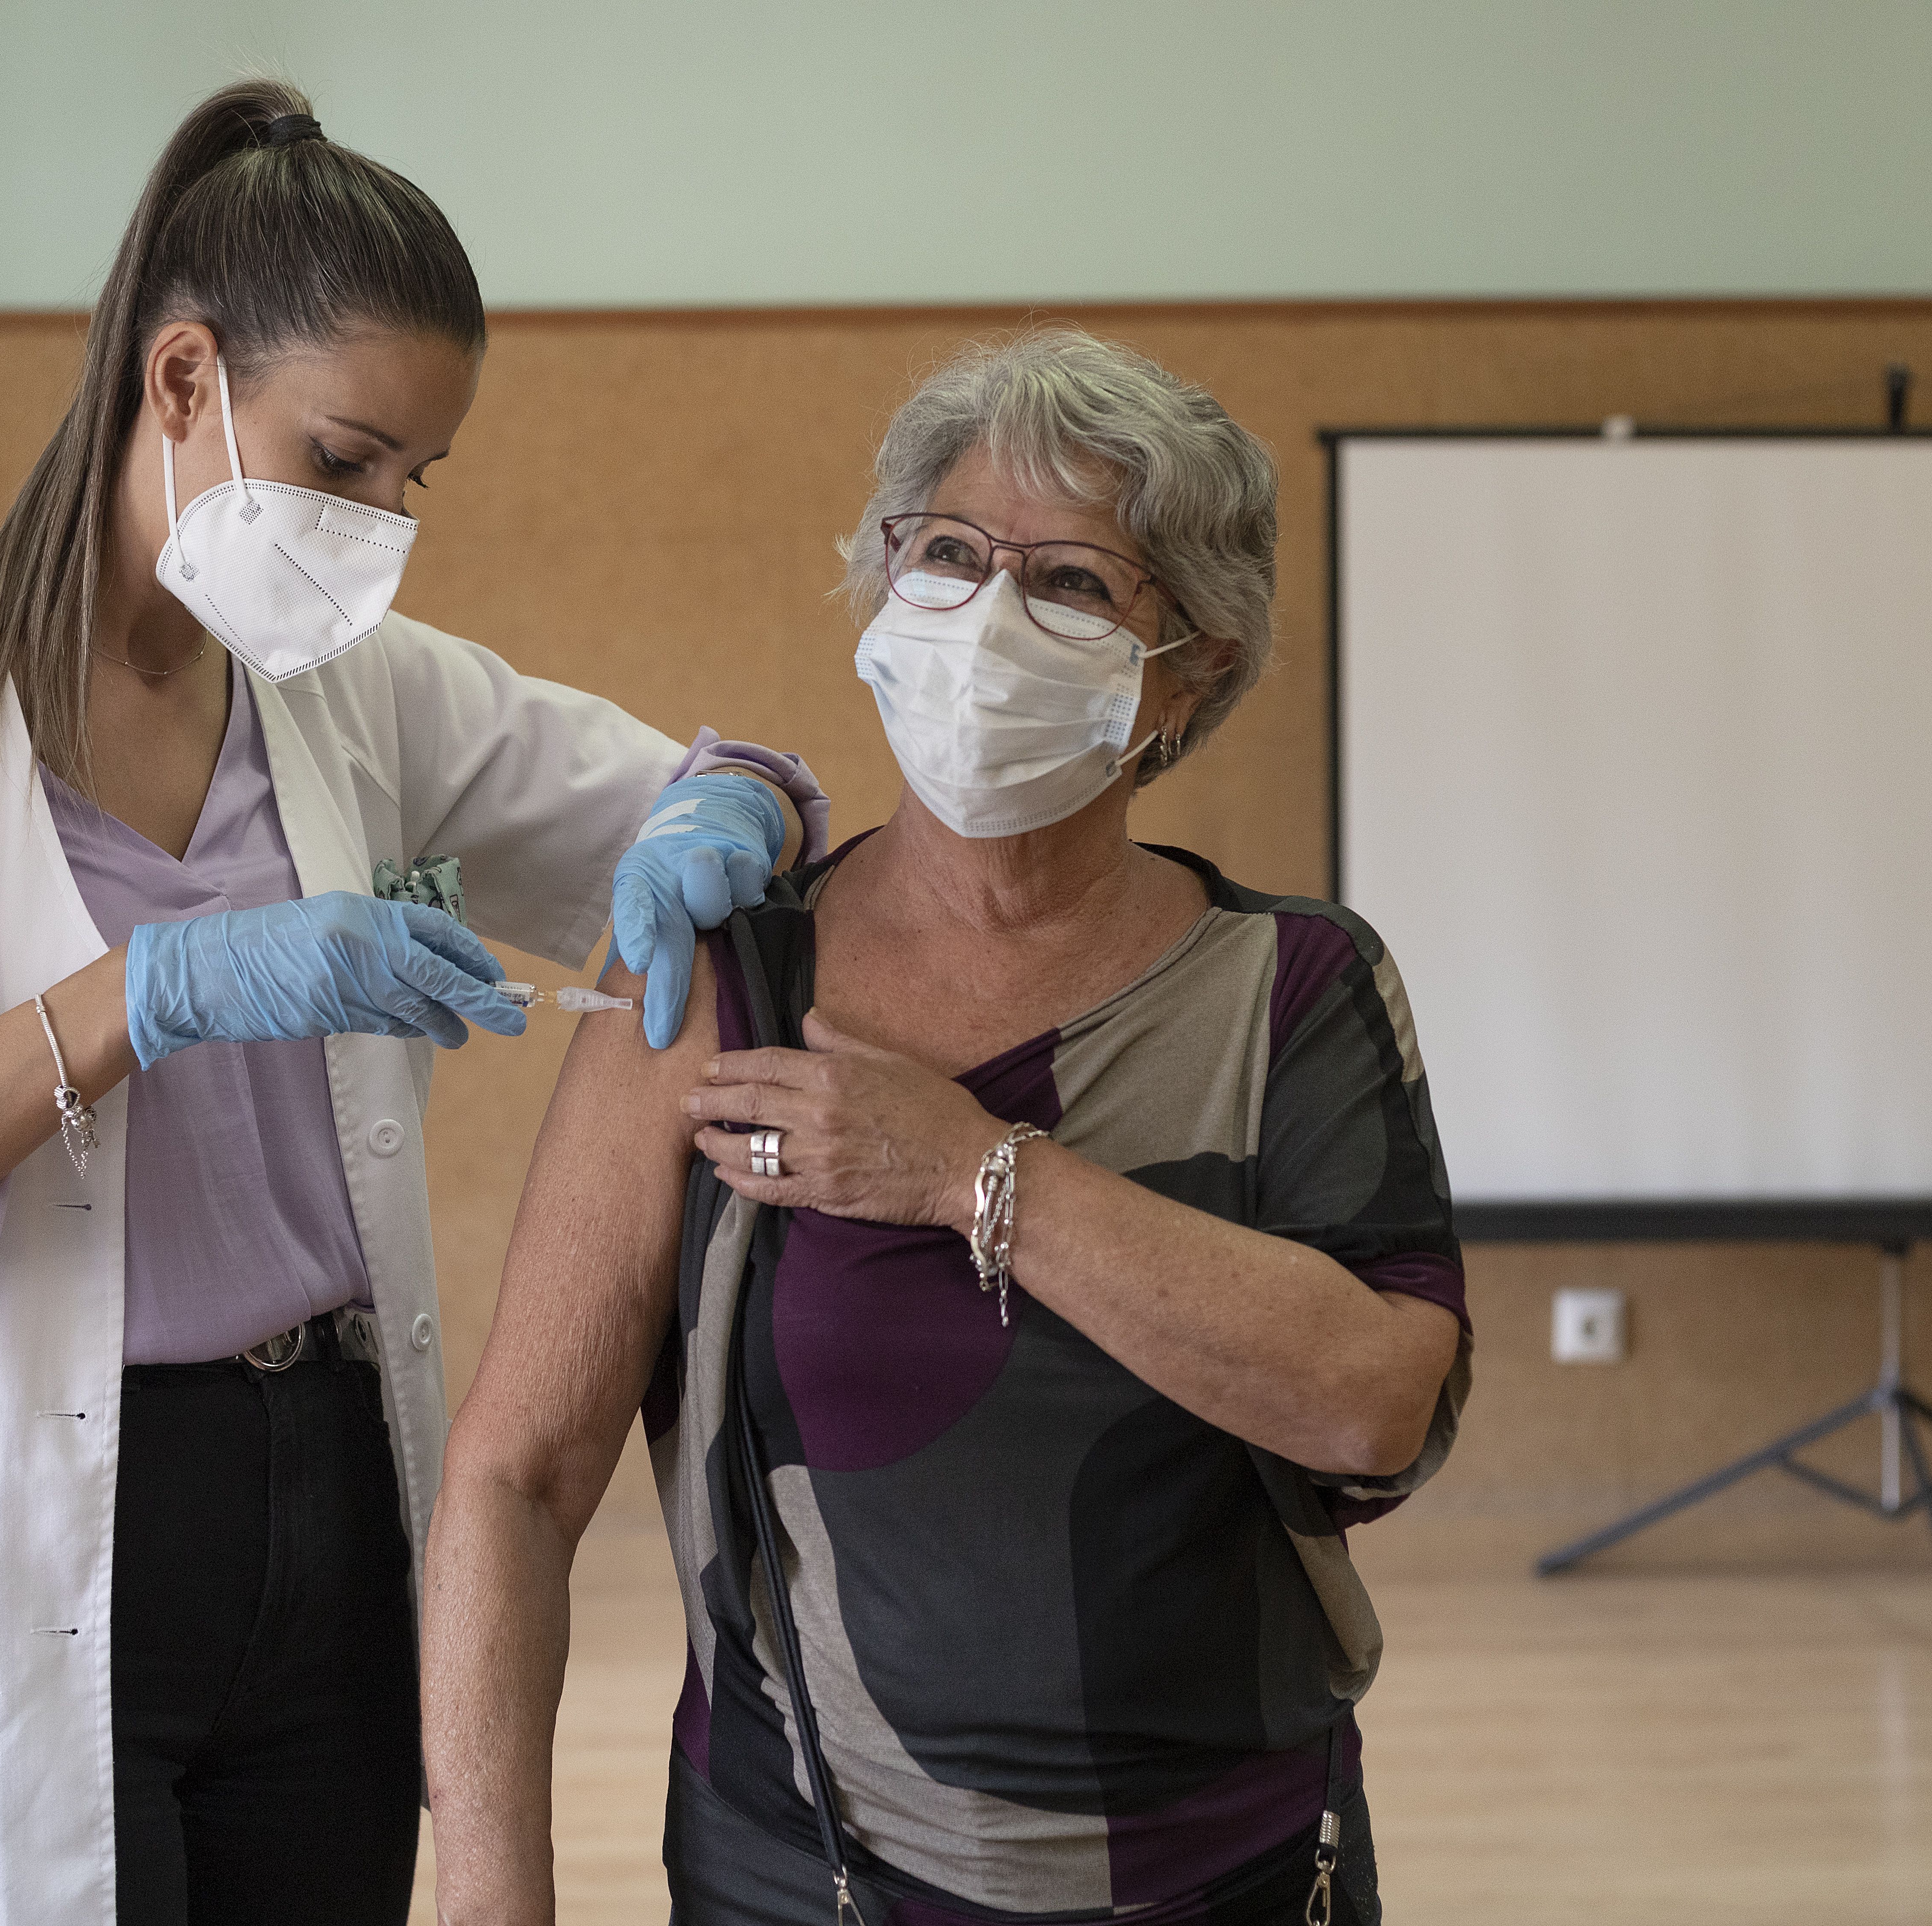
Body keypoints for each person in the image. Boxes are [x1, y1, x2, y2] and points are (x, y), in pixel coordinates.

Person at [0, 82, 825, 1926]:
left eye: (415, 481)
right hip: (30, 1515)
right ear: (184, 377)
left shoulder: (354, 692)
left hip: (331, 1491)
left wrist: (729, 813)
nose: (380, 525)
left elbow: (712, 783)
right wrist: (148, 991)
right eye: (344, 461)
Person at [421, 329, 1473, 1926]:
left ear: (1187, 672)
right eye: (952, 554)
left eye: (1073, 582)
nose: (989, 618)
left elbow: (1376, 1408)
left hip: (1229, 1875)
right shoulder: (727, 977)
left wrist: (973, 1173)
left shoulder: (1290, 989)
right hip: (806, 1872)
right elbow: (515, 1478)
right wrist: (492, 1900)